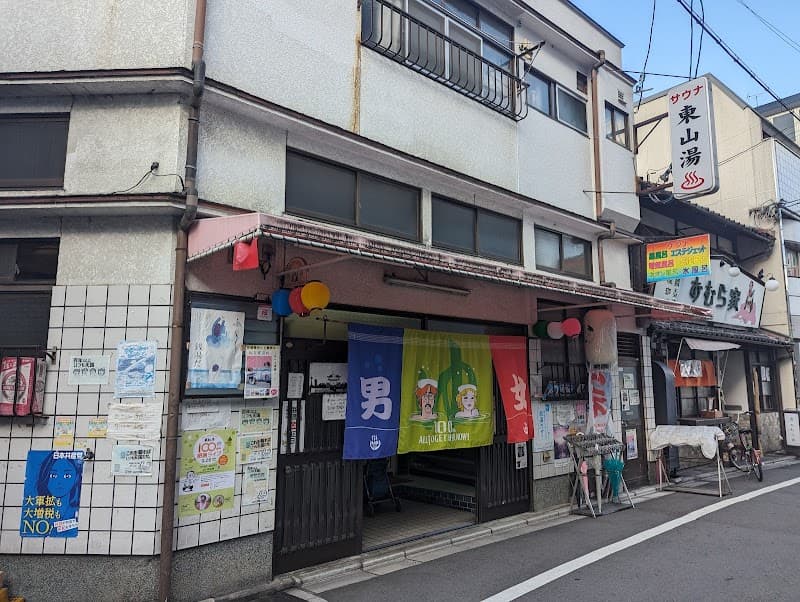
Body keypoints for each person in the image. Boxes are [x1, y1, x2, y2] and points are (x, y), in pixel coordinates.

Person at [35, 453, 82, 537]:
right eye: (53, 475)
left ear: (76, 477)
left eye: (67, 475)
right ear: (45, 476)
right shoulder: (39, 512)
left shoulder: (75, 513)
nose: (59, 481)